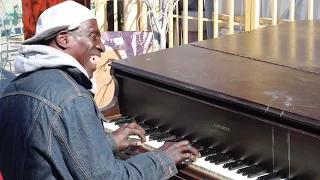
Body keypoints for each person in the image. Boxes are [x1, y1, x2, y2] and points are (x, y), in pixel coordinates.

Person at [0, 1, 200, 179]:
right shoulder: (72, 97)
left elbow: (52, 148)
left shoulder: (14, 88)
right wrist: (164, 158)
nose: (102, 47)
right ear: (63, 39)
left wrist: (106, 143)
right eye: (94, 36)